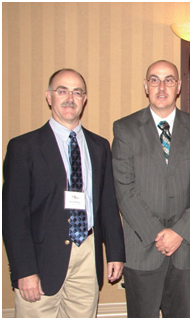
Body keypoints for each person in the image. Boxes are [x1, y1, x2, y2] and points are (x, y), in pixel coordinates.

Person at [2, 69, 126, 318]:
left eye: (77, 92)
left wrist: (115, 253)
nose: (70, 98)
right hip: (42, 258)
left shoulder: (99, 146)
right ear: (49, 97)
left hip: (87, 254)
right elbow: (14, 216)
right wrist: (24, 270)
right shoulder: (23, 147)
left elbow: (108, 204)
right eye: (62, 91)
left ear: (84, 99)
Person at [112, 60, 190, 318]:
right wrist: (158, 235)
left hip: (186, 248)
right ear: (145, 86)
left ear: (178, 86)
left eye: (169, 80)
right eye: (154, 79)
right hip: (142, 247)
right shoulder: (125, 129)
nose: (161, 86)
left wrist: (179, 233)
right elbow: (125, 189)